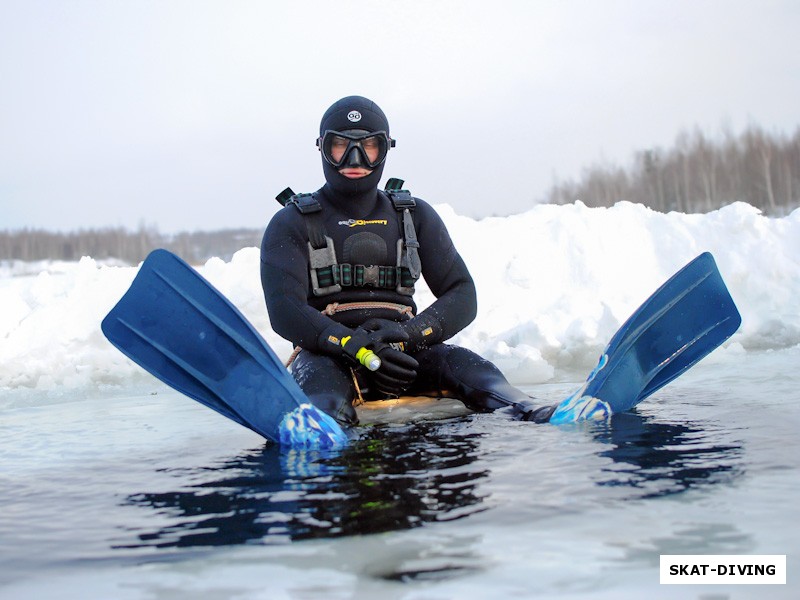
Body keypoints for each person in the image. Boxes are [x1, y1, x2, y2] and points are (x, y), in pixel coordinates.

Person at [260, 96, 554, 426]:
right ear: (322, 148)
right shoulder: (291, 222)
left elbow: (462, 293)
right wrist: (353, 346)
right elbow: (284, 309)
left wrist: (409, 335)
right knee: (322, 399)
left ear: (385, 150)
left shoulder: (414, 215)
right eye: (340, 145)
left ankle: (533, 410)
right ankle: (320, 431)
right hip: (328, 357)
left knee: (476, 373)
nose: (354, 158)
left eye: (369, 146)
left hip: (404, 354)